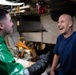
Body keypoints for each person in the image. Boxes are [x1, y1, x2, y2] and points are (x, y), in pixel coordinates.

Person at [0, 8, 52, 75]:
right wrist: (40, 65)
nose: (12, 24)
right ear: (1, 25)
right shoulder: (0, 50)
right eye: (10, 21)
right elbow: (20, 74)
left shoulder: (1, 43)